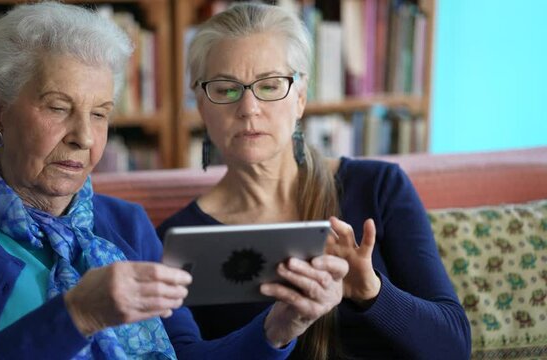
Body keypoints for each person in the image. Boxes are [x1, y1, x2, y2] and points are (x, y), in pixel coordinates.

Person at [0, 2, 349, 359]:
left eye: (99, 114)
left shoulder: (126, 223)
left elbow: (187, 354)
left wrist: (276, 328)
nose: (83, 137)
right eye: (59, 107)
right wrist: (78, 314)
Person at [157, 2, 471, 359]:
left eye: (270, 85)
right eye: (226, 89)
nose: (248, 108)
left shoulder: (379, 187)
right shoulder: (177, 239)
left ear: (301, 98)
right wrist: (274, 330)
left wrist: (371, 291)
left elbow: (454, 346)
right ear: (201, 104)